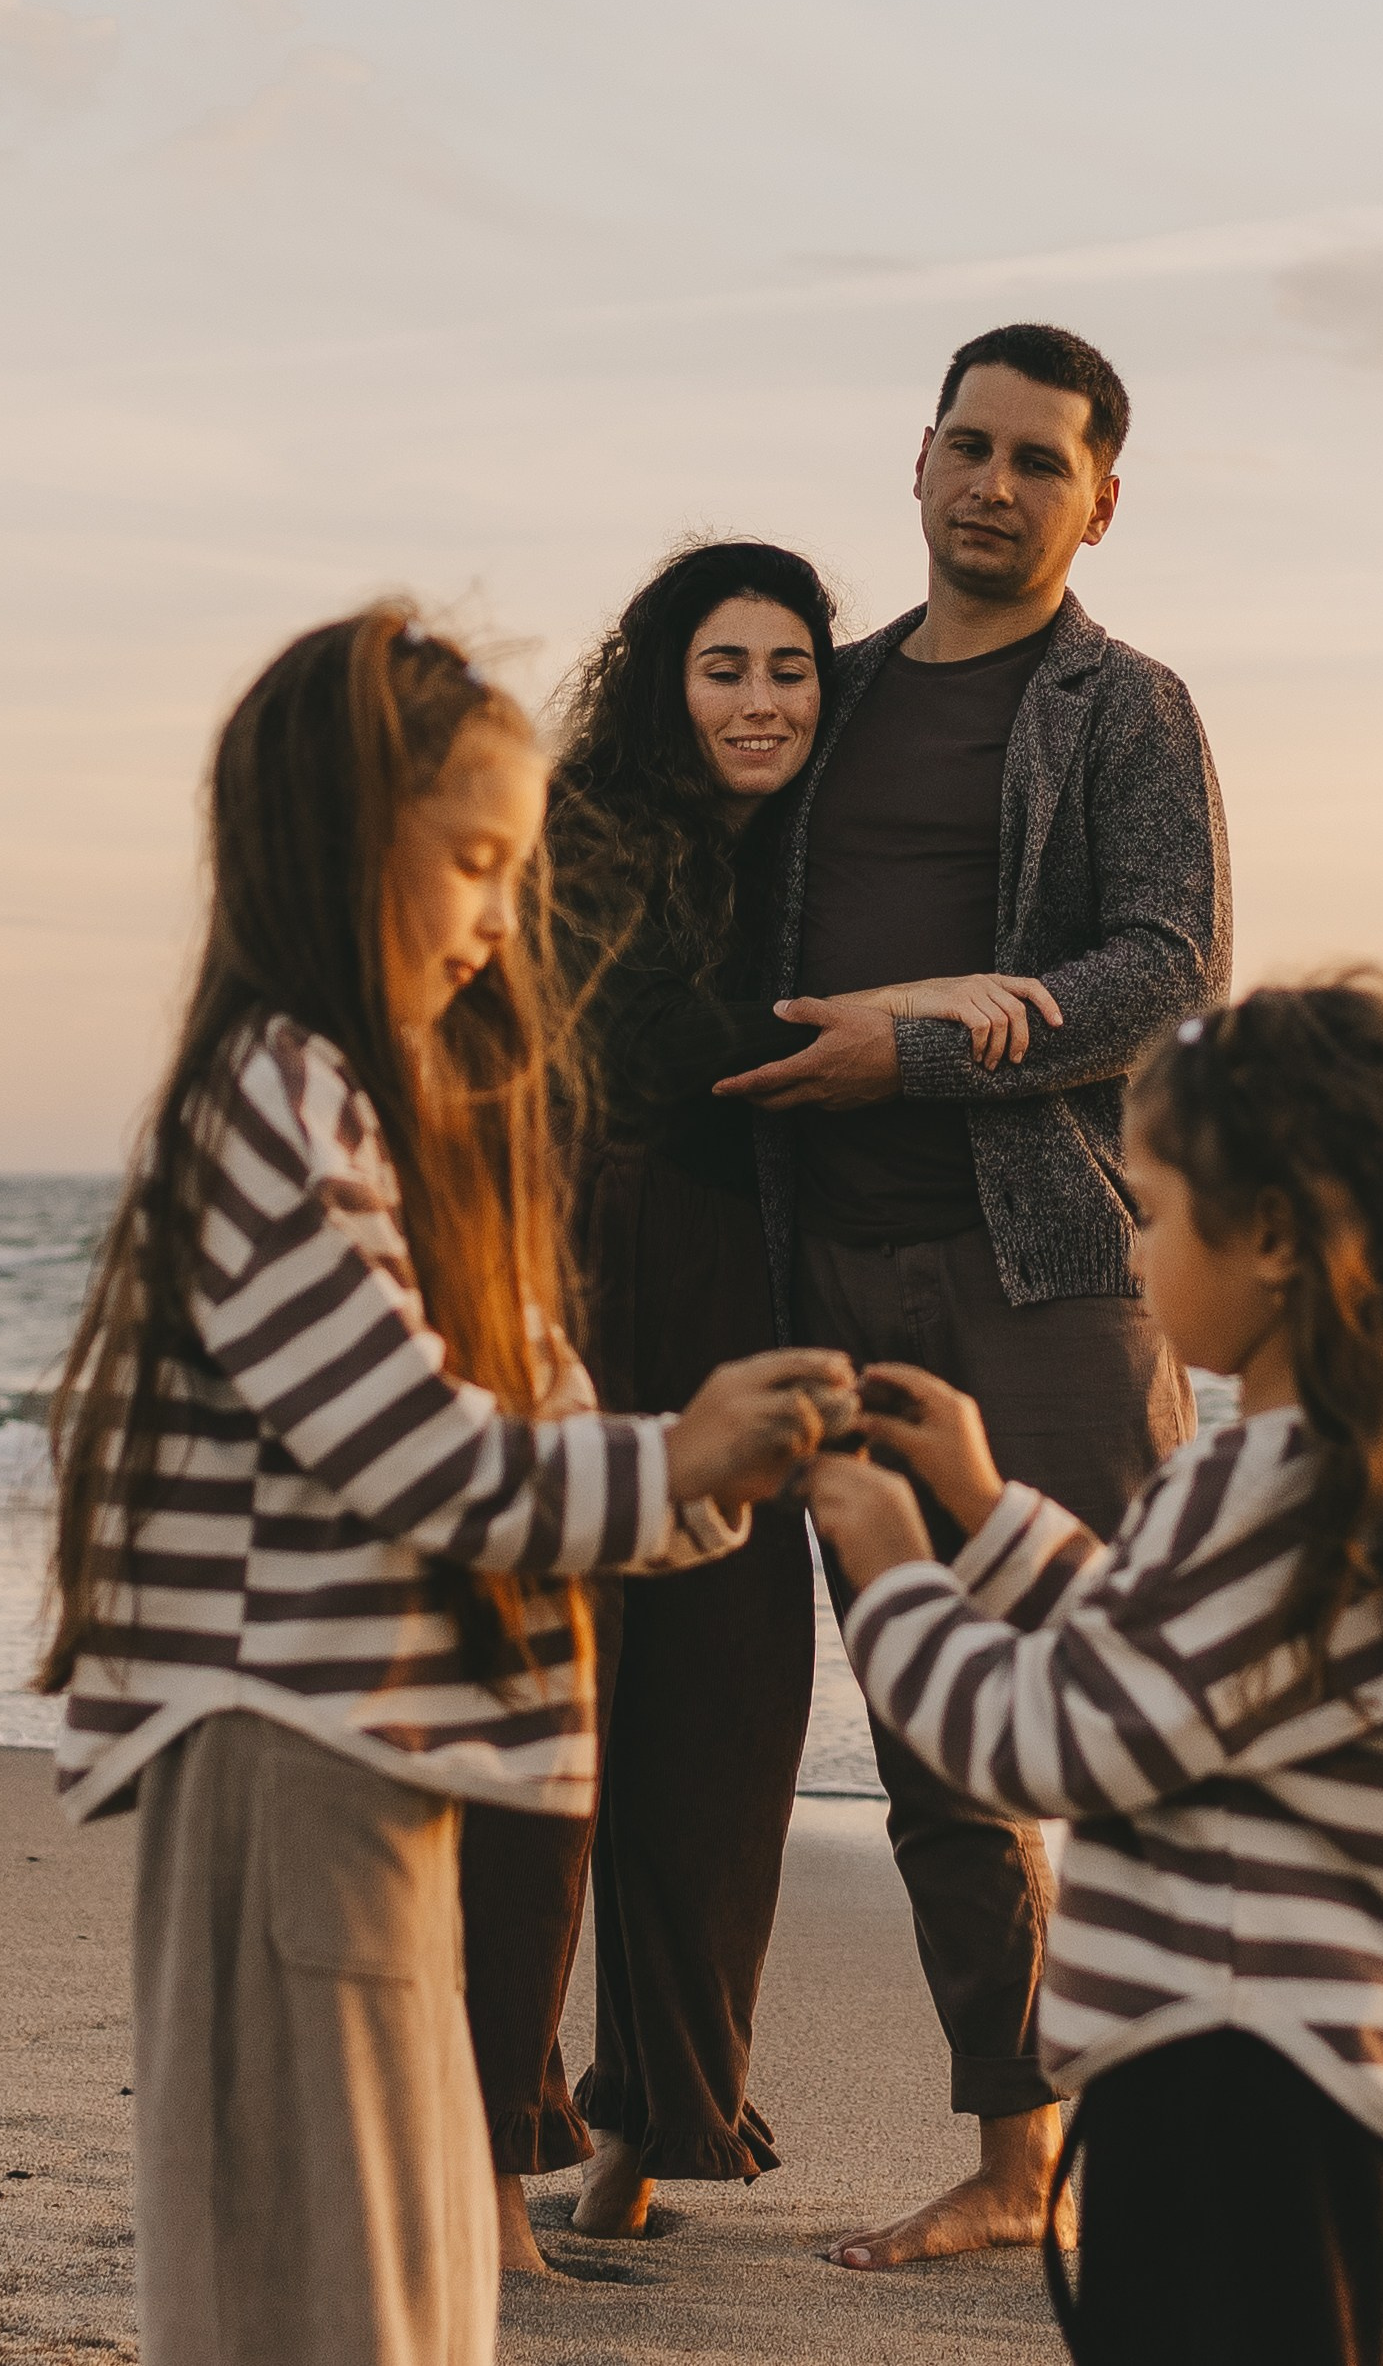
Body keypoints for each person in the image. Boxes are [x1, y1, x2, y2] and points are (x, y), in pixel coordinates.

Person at [38, 603, 854, 2366]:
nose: (505, 921)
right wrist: (681, 1455)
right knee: (310, 2296)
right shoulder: (275, 1095)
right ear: (338, 847)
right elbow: (413, 1454)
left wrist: (711, 1471)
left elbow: (543, 1425)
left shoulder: (418, 1111)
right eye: (476, 865)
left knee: (415, 2297)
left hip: (402, 1780)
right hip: (288, 1771)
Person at [809, 974, 1383, 2366]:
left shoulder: (1271, 1494)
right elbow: (1167, 1663)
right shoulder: (1354, 1470)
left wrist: (894, 1576)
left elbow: (1060, 1743)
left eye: (1151, 1206)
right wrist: (986, 1516)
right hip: (1356, 2113)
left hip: (1231, 2107)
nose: (1131, 1237)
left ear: (1271, 1235)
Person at [458, 541, 1061, 2273]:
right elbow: (654, 1050)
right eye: (724, 668)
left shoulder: (797, 852)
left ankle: (651, 2125)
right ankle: (494, 2166)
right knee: (556, 1719)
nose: (761, 701)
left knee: (721, 1718)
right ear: (664, 678)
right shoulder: (585, 833)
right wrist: (896, 1015)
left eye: (790, 670)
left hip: (744, 1281)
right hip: (590, 1277)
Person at [714, 321, 1231, 2271]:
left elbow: (1158, 964)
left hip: (1046, 1274)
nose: (992, 484)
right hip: (822, 1271)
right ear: (912, 463)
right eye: (965, 445)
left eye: (1038, 458)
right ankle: (1013, 2164)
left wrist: (914, 1056)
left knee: (1121, 1719)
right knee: (936, 1743)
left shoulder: (1123, 706)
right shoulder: (814, 706)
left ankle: (1174, 2158)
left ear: (1099, 495)